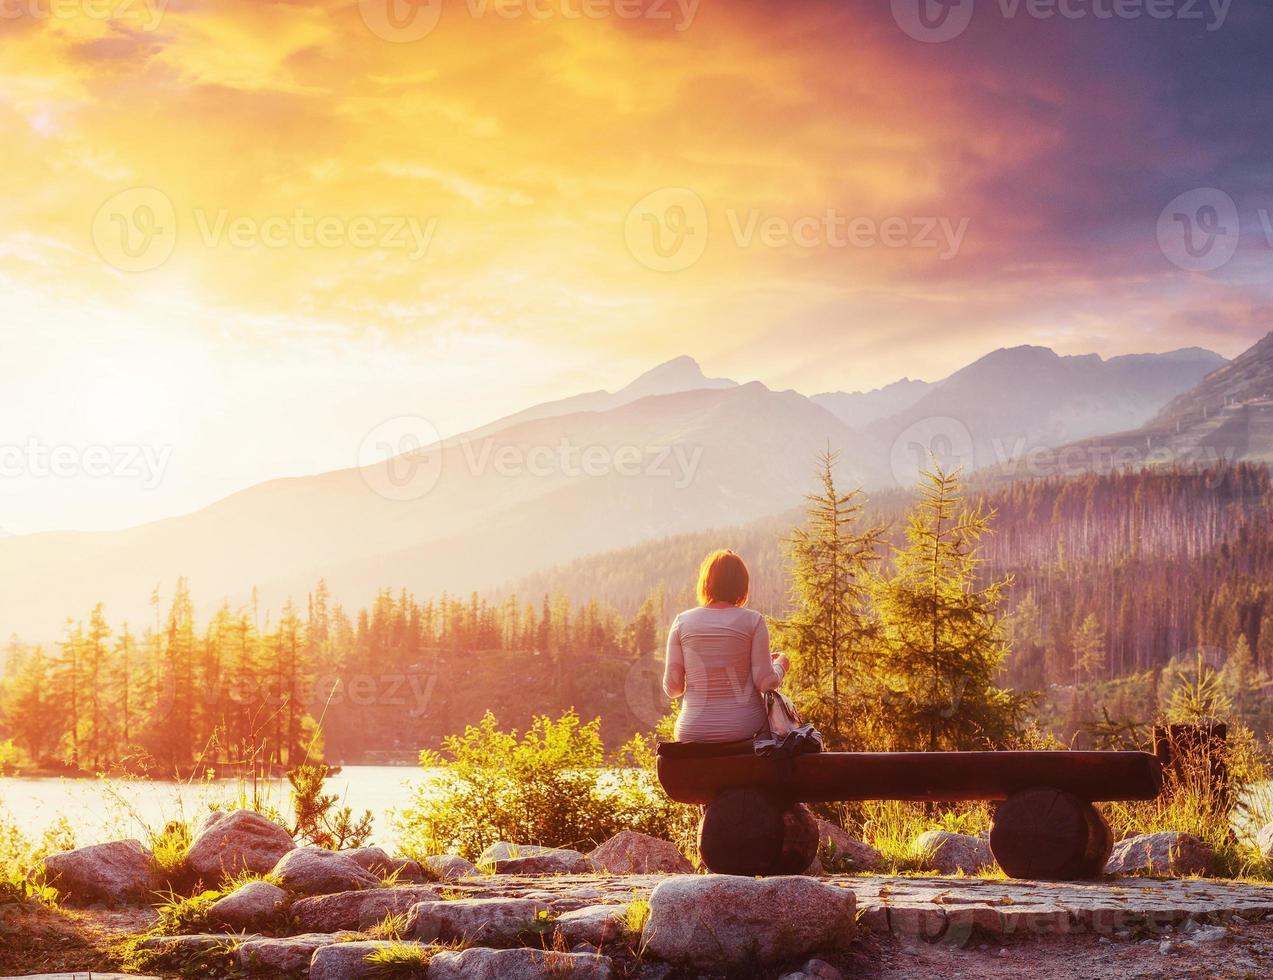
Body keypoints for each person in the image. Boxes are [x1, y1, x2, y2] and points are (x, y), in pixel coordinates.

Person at [662, 549, 790, 742]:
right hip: (745, 731)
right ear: (742, 585)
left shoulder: (682, 622)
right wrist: (781, 665)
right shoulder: (753, 620)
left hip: (692, 732)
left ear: (706, 583)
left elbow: (673, 689)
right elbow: (765, 683)